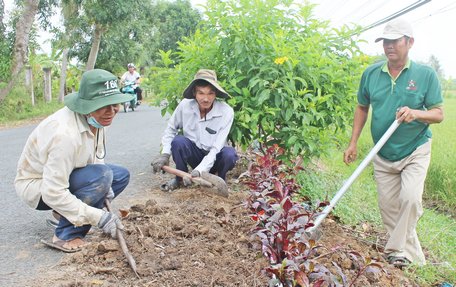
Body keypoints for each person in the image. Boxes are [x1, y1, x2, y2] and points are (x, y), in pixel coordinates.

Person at [343, 18, 444, 268]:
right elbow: (361, 107)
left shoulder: (425, 75)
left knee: (410, 200)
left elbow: (438, 114)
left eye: (395, 41)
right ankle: (415, 260)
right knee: (388, 208)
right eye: (385, 41)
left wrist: (416, 113)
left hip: (415, 149)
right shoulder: (371, 73)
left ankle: (396, 251)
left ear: (409, 43)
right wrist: (353, 142)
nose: (389, 46)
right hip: (383, 152)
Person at [15, 69, 135, 253]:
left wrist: (106, 186)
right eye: (104, 105)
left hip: (68, 174)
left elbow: (96, 158)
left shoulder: (98, 119)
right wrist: (100, 218)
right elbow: (52, 192)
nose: (111, 111)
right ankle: (65, 235)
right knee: (102, 176)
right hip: (40, 187)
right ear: (87, 105)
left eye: (114, 104)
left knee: (119, 176)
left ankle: (65, 213)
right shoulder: (64, 135)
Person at [151, 69, 238, 191]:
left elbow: (216, 148)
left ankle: (220, 179)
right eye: (201, 93)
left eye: (210, 93)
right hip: (195, 155)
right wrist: (165, 155)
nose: (206, 99)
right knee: (178, 142)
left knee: (230, 154)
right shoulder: (185, 106)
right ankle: (179, 178)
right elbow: (171, 130)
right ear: (194, 93)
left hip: (216, 157)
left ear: (216, 94)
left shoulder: (226, 111)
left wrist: (199, 171)